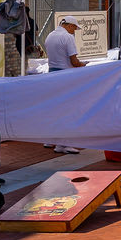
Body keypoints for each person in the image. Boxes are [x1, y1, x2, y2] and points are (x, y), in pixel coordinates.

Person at [43, 15, 85, 154]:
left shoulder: (50, 36)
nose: (74, 31)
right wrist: (83, 65)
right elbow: (74, 61)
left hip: (52, 74)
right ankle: (63, 144)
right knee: (67, 110)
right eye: (74, 28)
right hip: (65, 76)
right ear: (69, 25)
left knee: (54, 109)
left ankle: (50, 139)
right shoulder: (68, 37)